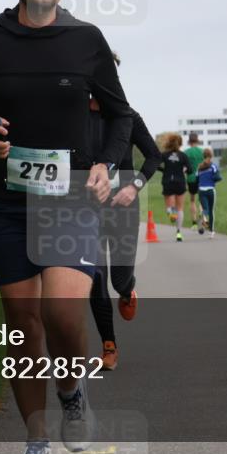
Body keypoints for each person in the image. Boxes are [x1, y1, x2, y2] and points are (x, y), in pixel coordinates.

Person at [0, 0, 134, 454]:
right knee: (23, 321)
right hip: (4, 201)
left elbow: (122, 116)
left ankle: (72, 393)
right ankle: (36, 440)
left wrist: (105, 164)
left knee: (63, 312)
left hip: (70, 197)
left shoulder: (87, 40)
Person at [86, 54, 162, 372]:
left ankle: (129, 288)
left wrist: (134, 187)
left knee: (118, 280)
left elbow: (153, 156)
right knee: (95, 278)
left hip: (123, 207)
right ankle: (109, 345)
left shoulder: (128, 116)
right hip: (88, 209)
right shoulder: (75, 116)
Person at [158, 133, 191, 241]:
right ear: (180, 143)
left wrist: (165, 170)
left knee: (170, 207)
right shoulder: (183, 156)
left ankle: (171, 213)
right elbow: (190, 169)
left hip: (167, 181)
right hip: (180, 181)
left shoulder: (164, 155)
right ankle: (179, 232)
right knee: (180, 208)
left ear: (169, 142)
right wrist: (183, 169)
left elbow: (155, 164)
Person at [196, 147, 222, 238]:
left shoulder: (199, 167)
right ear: (211, 156)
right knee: (211, 211)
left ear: (203, 156)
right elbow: (218, 177)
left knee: (205, 209)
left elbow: (196, 179)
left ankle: (201, 216)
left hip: (201, 190)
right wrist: (213, 180)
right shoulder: (213, 166)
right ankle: (211, 232)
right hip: (211, 190)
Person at [183, 133, 205, 228]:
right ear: (197, 140)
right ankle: (203, 217)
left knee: (192, 200)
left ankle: (194, 222)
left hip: (191, 178)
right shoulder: (202, 151)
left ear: (189, 141)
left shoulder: (186, 152)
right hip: (202, 177)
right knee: (201, 200)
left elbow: (183, 168)